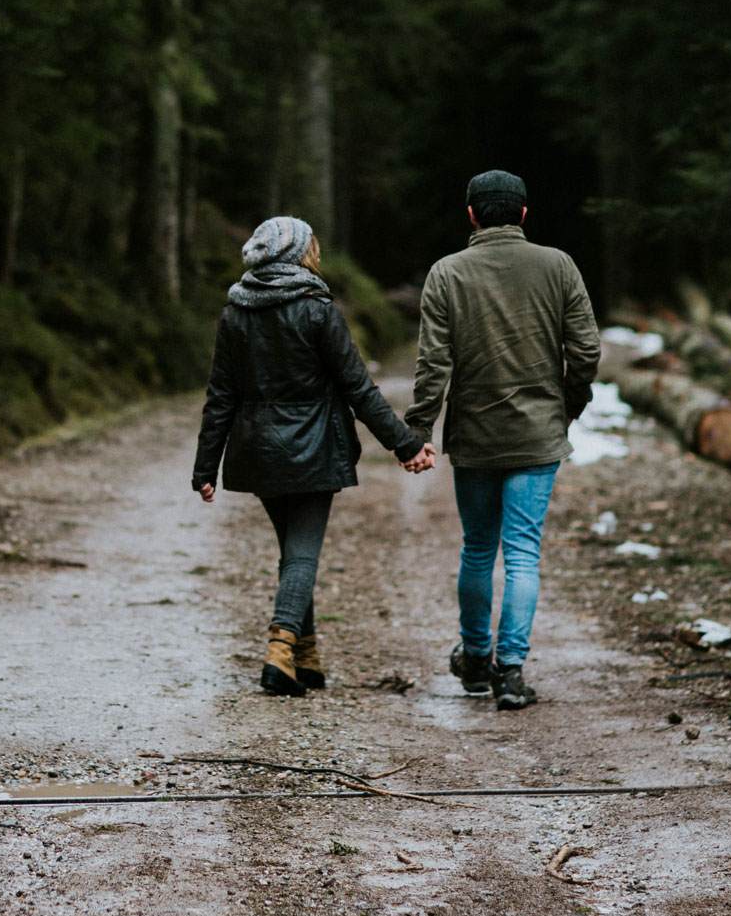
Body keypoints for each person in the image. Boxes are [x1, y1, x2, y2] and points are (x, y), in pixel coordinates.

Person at [193, 215, 431, 697]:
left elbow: (220, 395)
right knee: (302, 555)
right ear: (299, 253)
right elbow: (357, 388)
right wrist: (405, 443)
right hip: (313, 449)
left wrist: (205, 466)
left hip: (257, 450)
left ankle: (307, 657)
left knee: (293, 554)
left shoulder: (235, 311)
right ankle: (279, 652)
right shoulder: (318, 309)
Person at [405, 170, 599, 711]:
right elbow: (585, 351)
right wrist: (567, 405)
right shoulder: (558, 266)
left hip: (476, 435)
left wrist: (419, 428)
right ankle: (510, 674)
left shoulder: (446, 274)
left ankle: (474, 661)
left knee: (477, 548)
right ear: (523, 214)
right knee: (523, 555)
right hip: (537, 435)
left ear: (471, 214)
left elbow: (432, 364)